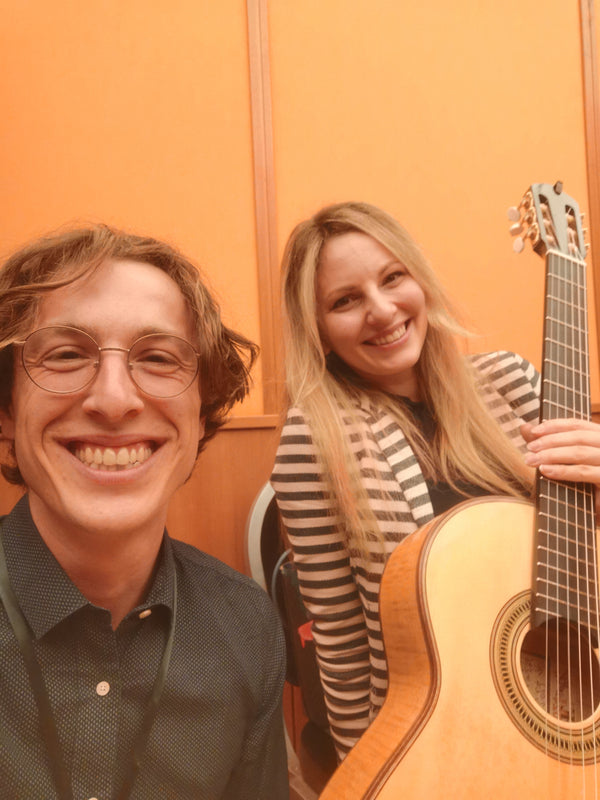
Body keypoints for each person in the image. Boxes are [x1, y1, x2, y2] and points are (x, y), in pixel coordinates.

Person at [270, 200, 600, 761]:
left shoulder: (513, 382)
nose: (380, 310)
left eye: (392, 277)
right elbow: (342, 653)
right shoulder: (314, 438)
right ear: (319, 329)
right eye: (345, 300)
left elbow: (578, 568)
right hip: (443, 738)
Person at [0, 225, 289, 799]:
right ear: (5, 413)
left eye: (157, 358)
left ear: (201, 415)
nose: (114, 398)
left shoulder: (249, 627)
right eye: (65, 353)